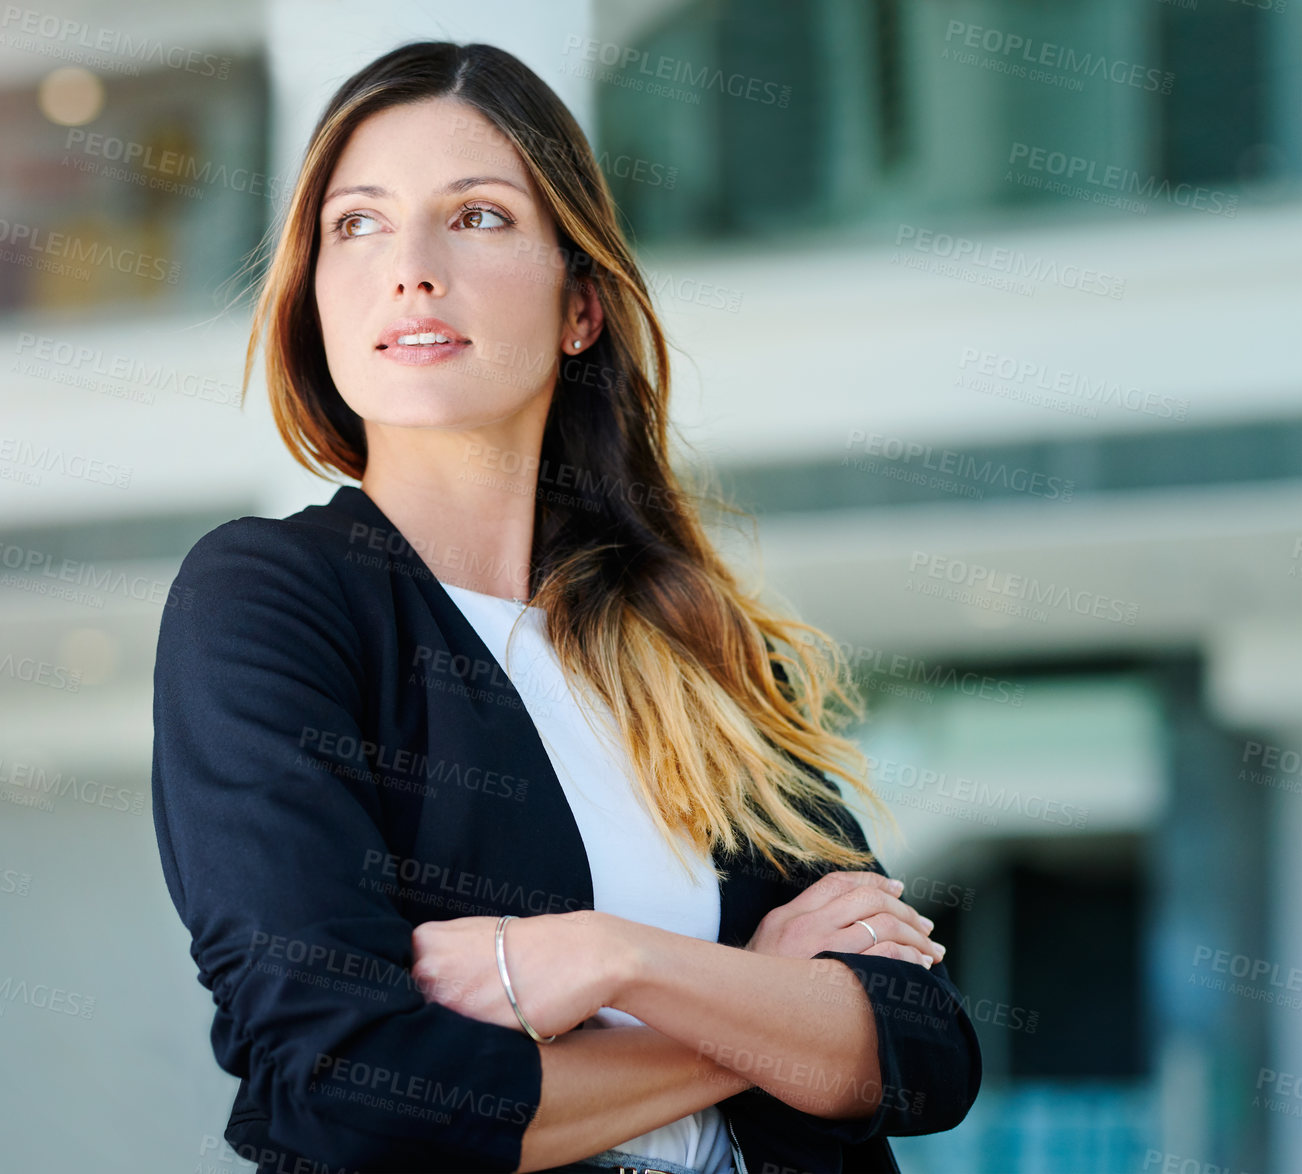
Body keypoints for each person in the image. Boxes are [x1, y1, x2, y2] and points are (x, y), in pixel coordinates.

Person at [151, 40, 981, 1174]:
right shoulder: (271, 599)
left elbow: (920, 1047)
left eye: (478, 216)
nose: (411, 268)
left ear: (580, 305)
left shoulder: (688, 637)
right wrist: (764, 1012)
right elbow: (345, 1092)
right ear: (313, 297)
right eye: (357, 223)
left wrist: (614, 960)